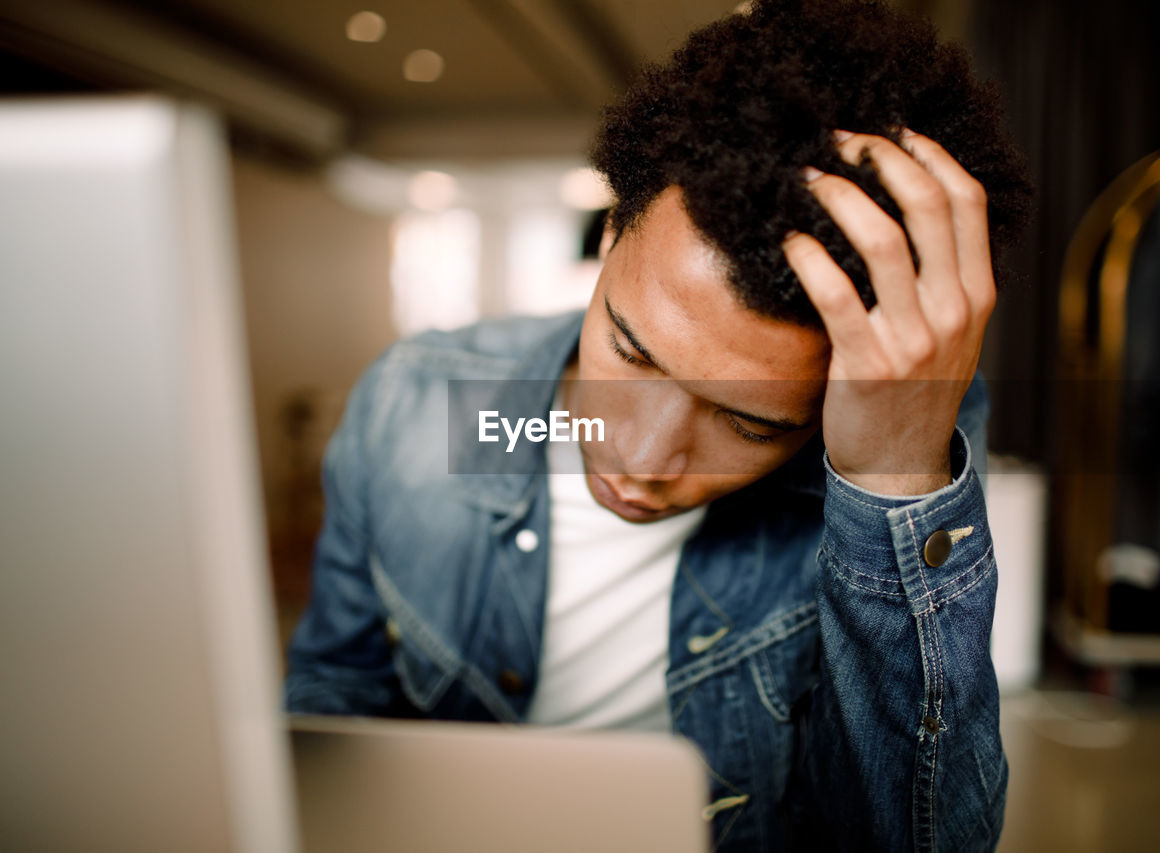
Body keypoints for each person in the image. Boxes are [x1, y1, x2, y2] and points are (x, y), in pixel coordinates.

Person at [283, 0, 1033, 850]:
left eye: (749, 424)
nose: (635, 458)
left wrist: (894, 479)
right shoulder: (424, 402)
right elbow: (333, 693)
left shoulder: (879, 455)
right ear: (609, 237)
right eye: (629, 351)